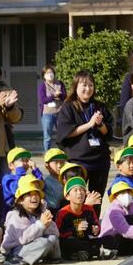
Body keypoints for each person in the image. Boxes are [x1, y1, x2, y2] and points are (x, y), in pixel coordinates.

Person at [56, 71, 113, 202]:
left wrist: (99, 124)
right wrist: (89, 124)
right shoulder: (68, 106)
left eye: (91, 85)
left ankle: (94, 222)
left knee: (96, 199)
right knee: (77, 199)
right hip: (78, 161)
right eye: (84, 85)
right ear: (76, 87)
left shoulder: (99, 106)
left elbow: (108, 133)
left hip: (100, 160)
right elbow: (66, 133)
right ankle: (76, 223)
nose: (88, 89)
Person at [1, 178, 61, 265]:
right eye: (29, 194)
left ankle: (48, 258)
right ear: (21, 200)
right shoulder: (15, 215)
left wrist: (46, 220)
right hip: (15, 249)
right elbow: (23, 239)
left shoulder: (41, 212)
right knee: (43, 242)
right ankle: (16, 259)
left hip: (33, 244)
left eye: (36, 194)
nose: (34, 197)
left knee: (53, 238)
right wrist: (41, 225)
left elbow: (56, 233)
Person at [56, 177, 116, 261]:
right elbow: (59, 233)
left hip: (86, 241)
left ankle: (82, 254)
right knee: (68, 243)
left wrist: (95, 229)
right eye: (75, 190)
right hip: (71, 242)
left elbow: (95, 226)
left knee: (110, 239)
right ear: (67, 196)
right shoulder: (63, 212)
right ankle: (98, 252)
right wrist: (75, 230)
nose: (79, 193)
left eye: (82, 190)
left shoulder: (89, 210)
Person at [0, 148, 45, 212]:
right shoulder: (7, 178)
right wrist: (20, 170)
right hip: (12, 211)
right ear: (11, 165)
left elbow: (41, 187)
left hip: (27, 210)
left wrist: (35, 170)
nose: (25, 163)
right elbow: (15, 190)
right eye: (21, 160)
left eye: (26, 160)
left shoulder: (26, 177)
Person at [37, 65, 66, 152]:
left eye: (51, 72)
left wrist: (60, 95)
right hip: (47, 114)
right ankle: (47, 154)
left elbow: (65, 96)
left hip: (60, 112)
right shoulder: (42, 86)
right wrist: (53, 96)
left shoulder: (60, 83)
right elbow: (43, 100)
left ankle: (63, 152)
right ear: (44, 75)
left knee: (62, 134)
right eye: (47, 73)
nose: (50, 74)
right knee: (47, 136)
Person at [42, 148, 67, 214]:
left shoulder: (68, 178)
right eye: (55, 162)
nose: (59, 166)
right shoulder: (47, 183)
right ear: (47, 166)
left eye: (62, 162)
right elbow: (53, 206)